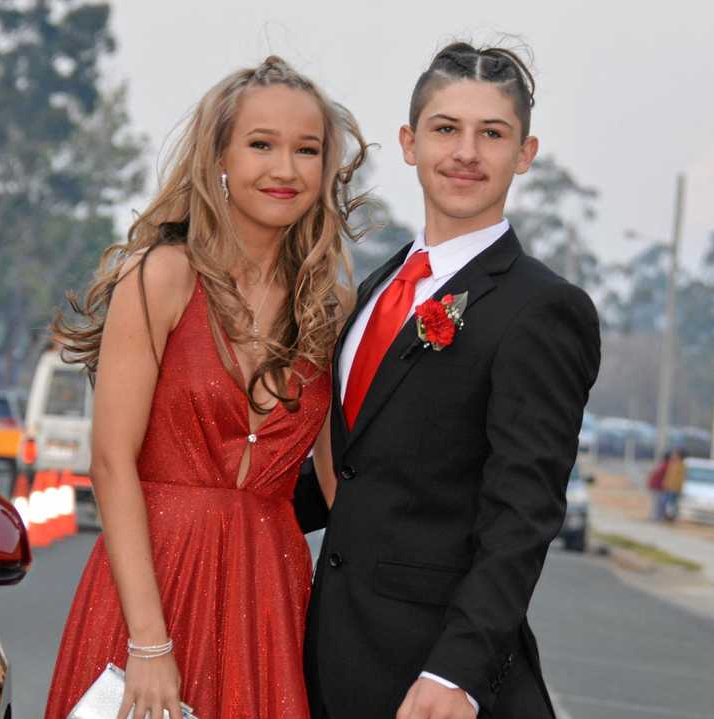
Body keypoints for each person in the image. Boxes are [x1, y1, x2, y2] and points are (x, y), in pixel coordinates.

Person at [42, 55, 368, 719]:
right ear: (218, 155)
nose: (285, 169)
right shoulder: (161, 276)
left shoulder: (332, 308)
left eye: (307, 150)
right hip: (148, 593)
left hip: (270, 603)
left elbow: (343, 485)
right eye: (261, 144)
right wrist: (150, 642)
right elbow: (111, 462)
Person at [293, 42, 601, 718]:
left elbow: (522, 513)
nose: (466, 152)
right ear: (409, 142)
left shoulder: (542, 309)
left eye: (491, 133)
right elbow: (352, 471)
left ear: (525, 152)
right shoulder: (373, 288)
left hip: (435, 682)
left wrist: (456, 672)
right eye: (446, 128)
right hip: (328, 655)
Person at [662, 448, 686, 521]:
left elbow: (680, 479)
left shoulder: (681, 465)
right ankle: (667, 516)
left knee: (672, 504)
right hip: (669, 488)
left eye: (675, 454)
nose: (673, 455)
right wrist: (665, 484)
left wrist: (677, 488)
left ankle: (670, 517)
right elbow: (668, 476)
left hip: (674, 488)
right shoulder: (673, 464)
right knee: (667, 503)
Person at [648, 452, 670, 521]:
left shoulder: (664, 465)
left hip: (658, 487)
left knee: (657, 504)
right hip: (658, 487)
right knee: (657, 503)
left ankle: (655, 517)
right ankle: (655, 517)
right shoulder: (665, 465)